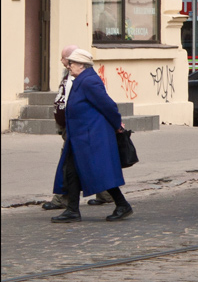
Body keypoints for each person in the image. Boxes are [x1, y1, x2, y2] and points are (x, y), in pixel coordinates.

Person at [51, 48, 133, 222]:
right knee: (72, 172)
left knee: (99, 172)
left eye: (71, 63)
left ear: (81, 64)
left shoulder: (89, 81)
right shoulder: (80, 79)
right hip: (79, 136)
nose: (69, 66)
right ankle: (72, 210)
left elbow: (108, 105)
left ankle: (122, 204)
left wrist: (117, 124)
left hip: (91, 136)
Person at [42, 45, 114, 211]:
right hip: (74, 127)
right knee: (81, 164)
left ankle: (65, 201)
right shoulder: (71, 75)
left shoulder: (84, 79)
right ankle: (105, 197)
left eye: (65, 59)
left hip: (80, 129)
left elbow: (105, 104)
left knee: (71, 165)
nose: (63, 62)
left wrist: (117, 124)